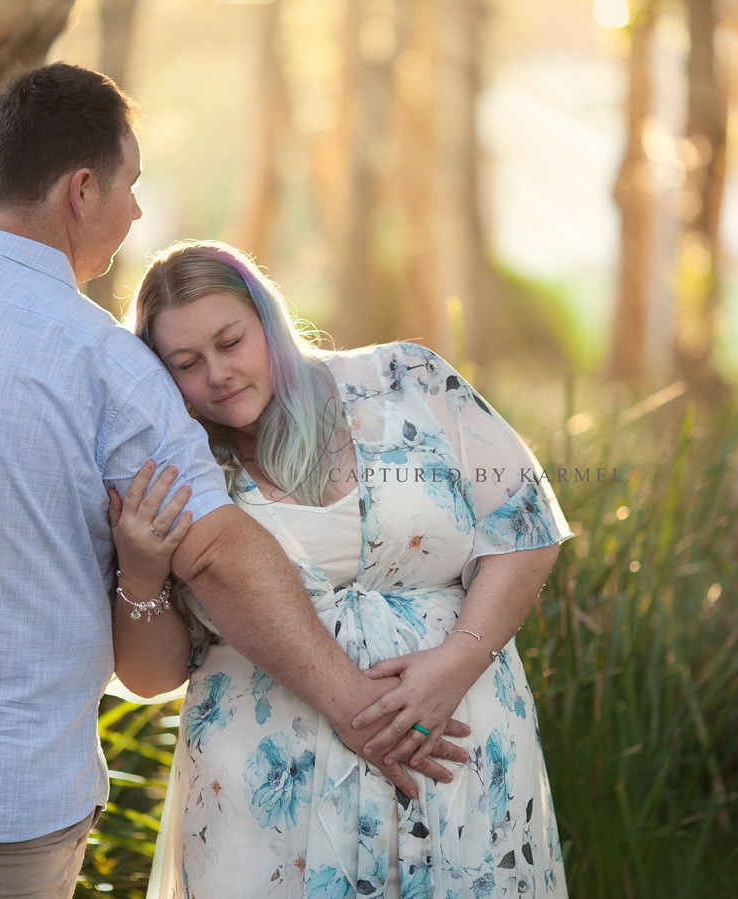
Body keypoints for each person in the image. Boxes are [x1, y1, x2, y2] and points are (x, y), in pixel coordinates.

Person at [0, 64, 463, 899]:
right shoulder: (107, 367)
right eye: (130, 186)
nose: (135, 211)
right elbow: (217, 555)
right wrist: (355, 705)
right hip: (5, 798)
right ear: (82, 191)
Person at [124, 240, 572, 898]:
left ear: (269, 323)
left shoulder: (405, 378)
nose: (217, 373)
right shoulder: (177, 468)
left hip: (456, 753)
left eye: (231, 341)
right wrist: (137, 570)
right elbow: (154, 674)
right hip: (265, 803)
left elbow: (526, 524)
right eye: (187, 363)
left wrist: (457, 660)